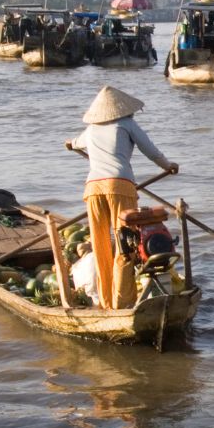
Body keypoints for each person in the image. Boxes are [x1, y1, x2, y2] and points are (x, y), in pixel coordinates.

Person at [65, 87, 178, 310]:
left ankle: (106, 302)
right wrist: (169, 166)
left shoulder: (90, 130)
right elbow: (151, 151)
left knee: (100, 246)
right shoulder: (127, 124)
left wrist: (70, 144)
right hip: (120, 186)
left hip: (93, 189)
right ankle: (123, 302)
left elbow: (74, 143)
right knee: (125, 245)